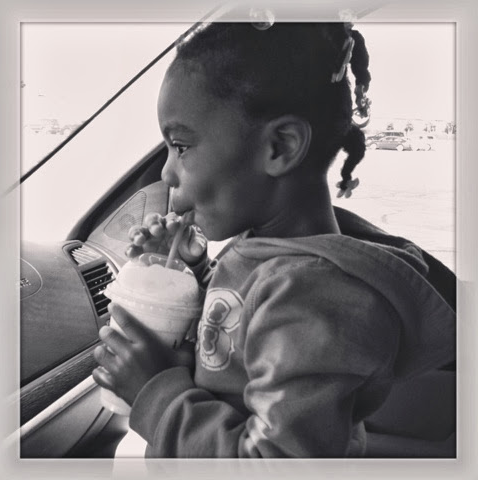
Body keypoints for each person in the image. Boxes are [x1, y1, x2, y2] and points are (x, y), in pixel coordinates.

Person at [92, 22, 455, 458]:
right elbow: (235, 344)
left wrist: (155, 394)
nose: (168, 173)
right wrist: (192, 275)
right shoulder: (267, 257)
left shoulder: (314, 296)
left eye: (181, 146)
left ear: (280, 147)